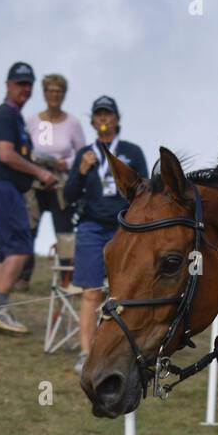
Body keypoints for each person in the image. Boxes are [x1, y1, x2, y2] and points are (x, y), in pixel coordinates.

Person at [63, 96, 149, 374]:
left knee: (126, 292)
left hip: (123, 227)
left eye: (107, 114)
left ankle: (127, 350)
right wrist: (81, 171)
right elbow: (68, 195)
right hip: (90, 228)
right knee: (90, 292)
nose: (103, 119)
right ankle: (86, 352)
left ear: (116, 119)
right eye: (98, 115)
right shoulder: (85, 154)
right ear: (92, 121)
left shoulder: (132, 152)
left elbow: (144, 191)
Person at [0, 61, 57, 334]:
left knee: (5, 250)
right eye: (19, 83)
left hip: (0, 189)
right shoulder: (5, 115)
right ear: (7, 85)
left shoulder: (16, 119)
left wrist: (38, 176)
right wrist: (41, 173)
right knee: (21, 248)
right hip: (2, 190)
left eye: (28, 84)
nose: (25, 88)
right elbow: (5, 154)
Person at [21, 73, 85, 289]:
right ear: (44, 93)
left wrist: (65, 164)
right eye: (50, 90)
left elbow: (82, 153)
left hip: (61, 185)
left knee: (65, 232)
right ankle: (22, 276)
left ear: (64, 94)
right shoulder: (32, 121)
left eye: (59, 91)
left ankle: (67, 278)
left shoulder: (73, 123)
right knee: (29, 228)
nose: (54, 95)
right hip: (36, 183)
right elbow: (23, 148)